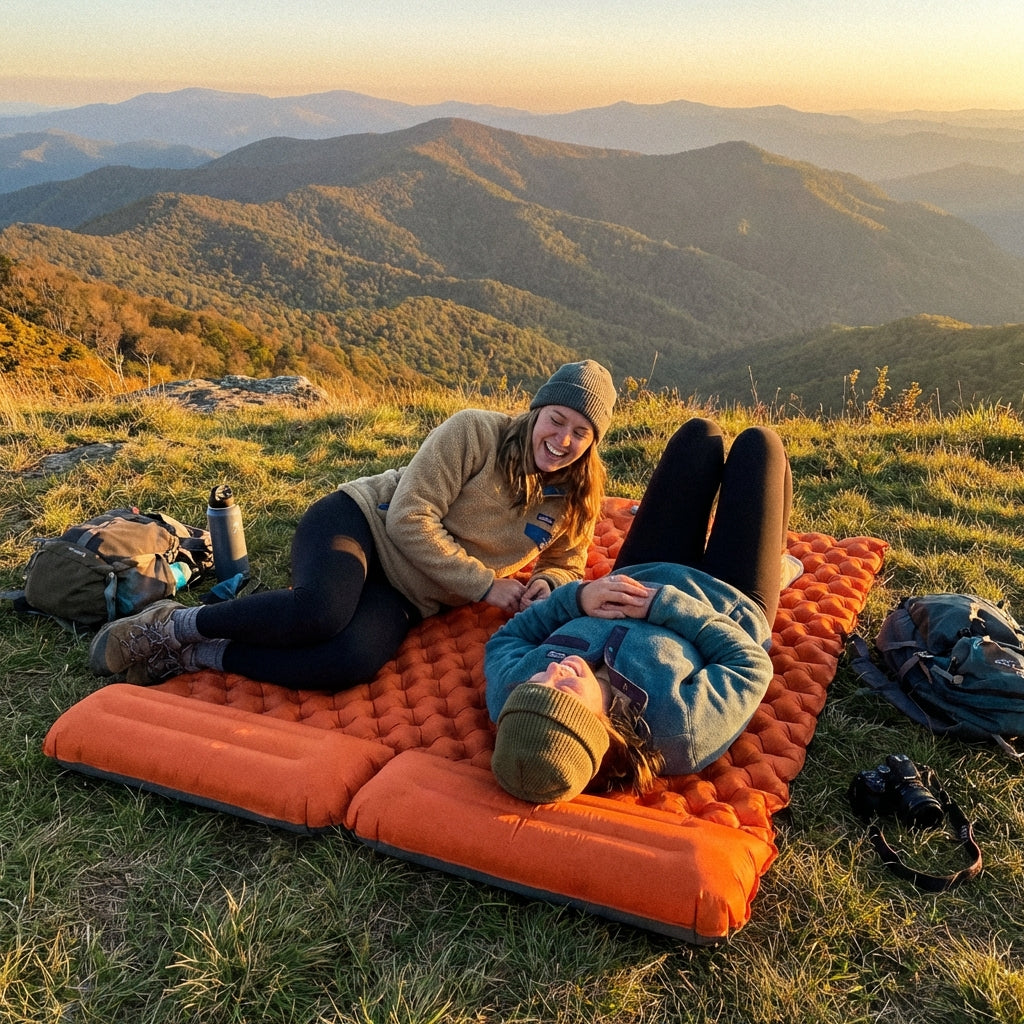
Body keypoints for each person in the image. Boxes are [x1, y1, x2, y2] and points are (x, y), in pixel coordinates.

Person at [89, 360, 616, 690]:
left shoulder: (577, 492)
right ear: (537, 410)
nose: (563, 440)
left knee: (350, 661)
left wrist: (547, 585)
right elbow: (411, 518)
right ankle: (167, 626)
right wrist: (484, 585)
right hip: (362, 525)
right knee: (320, 612)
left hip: (413, 593)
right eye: (556, 420)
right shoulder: (475, 432)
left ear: (593, 440)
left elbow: (565, 560)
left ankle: (201, 655)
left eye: (581, 431)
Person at [484, 416, 794, 804]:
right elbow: (749, 664)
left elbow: (509, 637)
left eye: (538, 682)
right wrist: (664, 606)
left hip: (641, 569)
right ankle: (775, 562)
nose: (553, 671)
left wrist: (579, 598)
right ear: (597, 726)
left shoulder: (511, 701)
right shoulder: (680, 730)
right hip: (730, 598)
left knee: (698, 438)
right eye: (564, 688)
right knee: (759, 447)